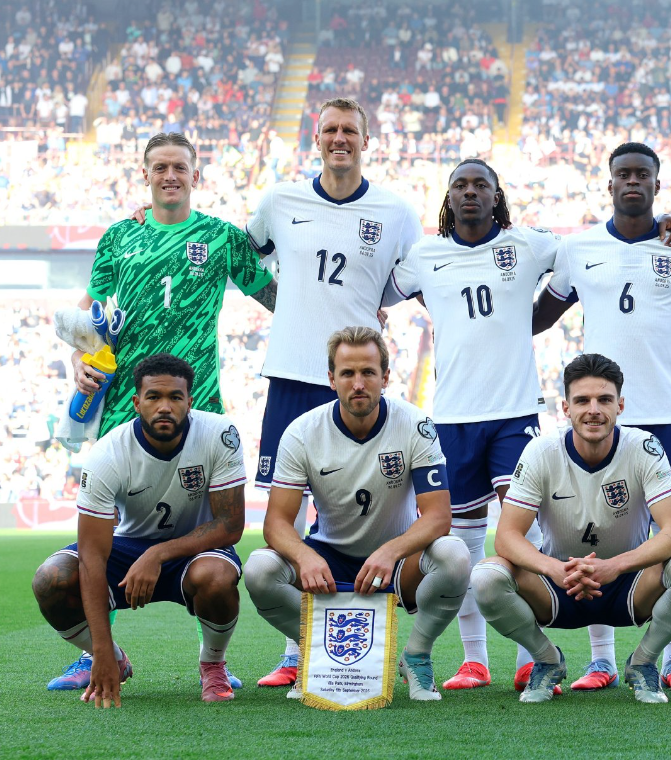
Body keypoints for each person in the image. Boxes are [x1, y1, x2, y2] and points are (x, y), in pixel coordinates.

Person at [387, 158, 671, 692]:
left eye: (482, 184)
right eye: (460, 185)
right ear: (448, 197)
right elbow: (383, 288)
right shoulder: (423, 256)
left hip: (515, 412)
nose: (470, 192)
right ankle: (475, 659)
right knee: (465, 539)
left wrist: (662, 223)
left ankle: (544, 658)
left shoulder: (530, 245)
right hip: (453, 415)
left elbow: (604, 246)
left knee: (531, 529)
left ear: (497, 195)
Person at [53, 131, 275, 691]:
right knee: (98, 538)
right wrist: (78, 359)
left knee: (211, 547)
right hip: (126, 412)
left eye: (180, 167)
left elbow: (277, 298)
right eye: (160, 167)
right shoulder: (119, 236)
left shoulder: (222, 237)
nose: (170, 175)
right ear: (145, 174)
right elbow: (87, 316)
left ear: (196, 175)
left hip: (199, 411)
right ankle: (99, 652)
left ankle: (213, 660)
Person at [532, 142, 671, 691]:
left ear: (656, 184)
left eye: (641, 174)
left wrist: (668, 323)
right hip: (600, 415)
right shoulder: (578, 249)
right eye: (622, 174)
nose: (631, 182)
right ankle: (601, 660)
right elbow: (538, 316)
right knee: (596, 531)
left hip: (666, 412)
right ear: (609, 184)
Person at [244, 96, 424, 688]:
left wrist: (371, 305)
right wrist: (284, 303)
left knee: (354, 499)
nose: (339, 138)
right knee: (290, 515)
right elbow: (241, 255)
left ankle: (379, 636)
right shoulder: (280, 201)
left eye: (350, 130)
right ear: (315, 138)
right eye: (330, 130)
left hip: (356, 379)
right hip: (293, 374)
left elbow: (411, 277)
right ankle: (298, 649)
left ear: (365, 141)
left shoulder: (395, 211)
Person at [244, 327, 471, 702]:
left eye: (368, 372)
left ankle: (416, 656)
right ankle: (316, 653)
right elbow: (276, 523)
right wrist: (304, 556)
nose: (359, 383)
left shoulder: (415, 425)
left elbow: (437, 517)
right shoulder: (302, 432)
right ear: (331, 379)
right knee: (259, 569)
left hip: (397, 563)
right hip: (329, 560)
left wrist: (390, 551)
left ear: (386, 376)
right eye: (347, 373)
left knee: (455, 555)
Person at [471, 354, 671, 703]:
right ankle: (546, 659)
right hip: (559, 585)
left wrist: (614, 566)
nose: (593, 410)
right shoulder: (540, 451)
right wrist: (554, 568)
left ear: (620, 405)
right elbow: (506, 536)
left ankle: (643, 662)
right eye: (582, 400)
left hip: (629, 585)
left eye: (604, 400)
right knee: (486, 577)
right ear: (566, 408)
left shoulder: (643, 447)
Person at [32, 354, 248, 706]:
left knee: (217, 577)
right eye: (153, 397)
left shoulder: (219, 434)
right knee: (51, 578)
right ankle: (114, 659)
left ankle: (213, 664)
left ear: (190, 402)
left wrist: (158, 554)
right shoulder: (107, 454)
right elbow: (91, 555)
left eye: (175, 397)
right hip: (127, 549)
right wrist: (102, 651)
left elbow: (231, 524)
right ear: (136, 403)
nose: (164, 407)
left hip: (197, 551)